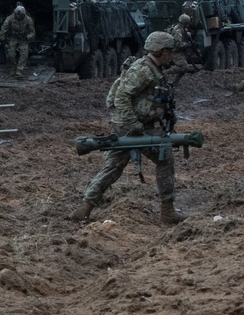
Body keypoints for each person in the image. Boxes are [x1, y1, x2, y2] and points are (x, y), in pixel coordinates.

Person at [70, 31, 184, 225]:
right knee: (164, 158)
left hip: (130, 125)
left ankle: (84, 208)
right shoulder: (143, 71)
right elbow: (121, 97)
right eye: (169, 51)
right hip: (130, 126)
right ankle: (167, 212)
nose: (171, 55)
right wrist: (134, 124)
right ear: (159, 51)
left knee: (113, 166)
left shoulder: (153, 69)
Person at [0, 5, 35, 77]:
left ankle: (19, 70)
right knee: (10, 54)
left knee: (24, 54)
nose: (18, 16)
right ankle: (13, 68)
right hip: (13, 37)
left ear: (23, 15)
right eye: (17, 14)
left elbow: (32, 32)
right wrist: (3, 40)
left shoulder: (28, 20)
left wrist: (28, 37)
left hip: (23, 38)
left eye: (20, 15)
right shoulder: (9, 19)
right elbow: (3, 30)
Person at [164, 14, 193, 85]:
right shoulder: (178, 30)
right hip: (174, 51)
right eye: (187, 23)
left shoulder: (182, 28)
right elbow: (178, 44)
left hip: (178, 51)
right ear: (185, 22)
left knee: (184, 68)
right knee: (184, 67)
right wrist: (187, 44)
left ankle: (175, 83)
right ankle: (165, 73)